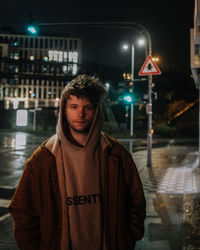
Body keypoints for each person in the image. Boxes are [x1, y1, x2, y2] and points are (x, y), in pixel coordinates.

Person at [9, 74, 146, 250]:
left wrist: (127, 239)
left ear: (96, 111)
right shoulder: (43, 158)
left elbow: (137, 200)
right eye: (74, 106)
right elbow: (22, 210)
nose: (80, 114)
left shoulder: (115, 154)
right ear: (64, 110)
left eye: (87, 107)